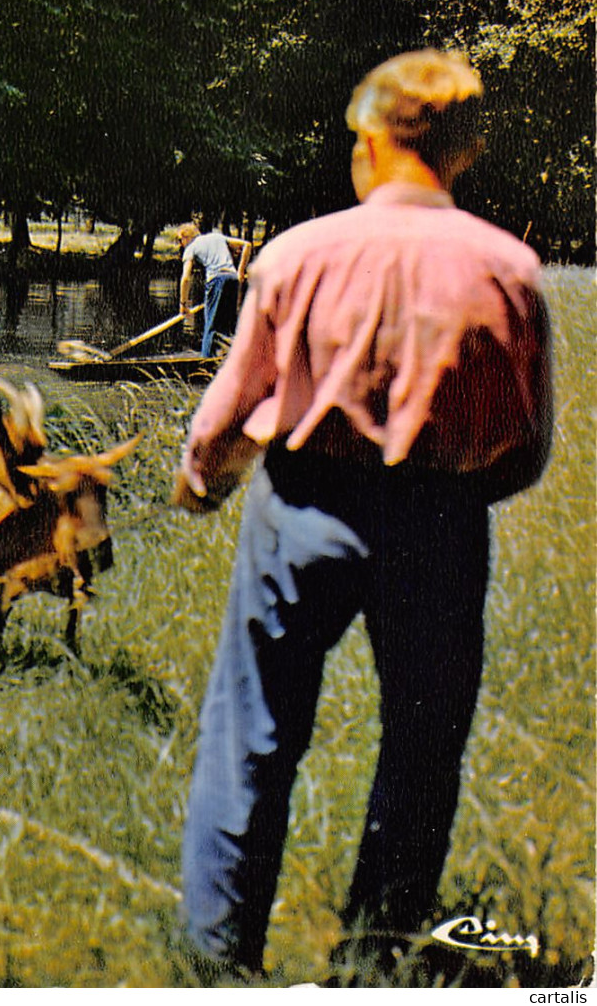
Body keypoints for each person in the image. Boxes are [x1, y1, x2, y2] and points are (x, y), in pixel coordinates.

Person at [170, 49, 553, 978]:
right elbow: (528, 444)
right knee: (423, 747)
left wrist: (201, 476)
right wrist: (447, 494)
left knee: (252, 733)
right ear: (462, 153)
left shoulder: (301, 253)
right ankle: (375, 959)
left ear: (375, 143)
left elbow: (228, 409)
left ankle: (218, 962)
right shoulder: (510, 269)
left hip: (301, 507)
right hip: (441, 523)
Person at [176, 223, 254, 357]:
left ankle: (204, 363)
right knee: (228, 326)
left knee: (211, 327)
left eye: (179, 240)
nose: (180, 244)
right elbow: (247, 244)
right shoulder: (216, 237)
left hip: (216, 281)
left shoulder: (191, 248)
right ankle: (230, 358)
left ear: (185, 237)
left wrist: (183, 304)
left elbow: (185, 279)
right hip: (232, 278)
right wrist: (240, 271)